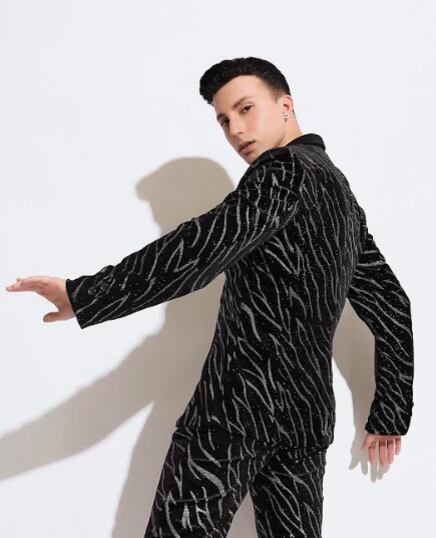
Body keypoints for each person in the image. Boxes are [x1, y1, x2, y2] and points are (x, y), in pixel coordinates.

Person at [6, 57, 414, 538]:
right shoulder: (340, 192)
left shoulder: (281, 171)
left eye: (246, 109)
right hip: (306, 414)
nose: (236, 130)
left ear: (286, 105)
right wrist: (391, 411)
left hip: (238, 405)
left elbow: (201, 248)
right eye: (223, 120)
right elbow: (393, 304)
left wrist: (85, 295)